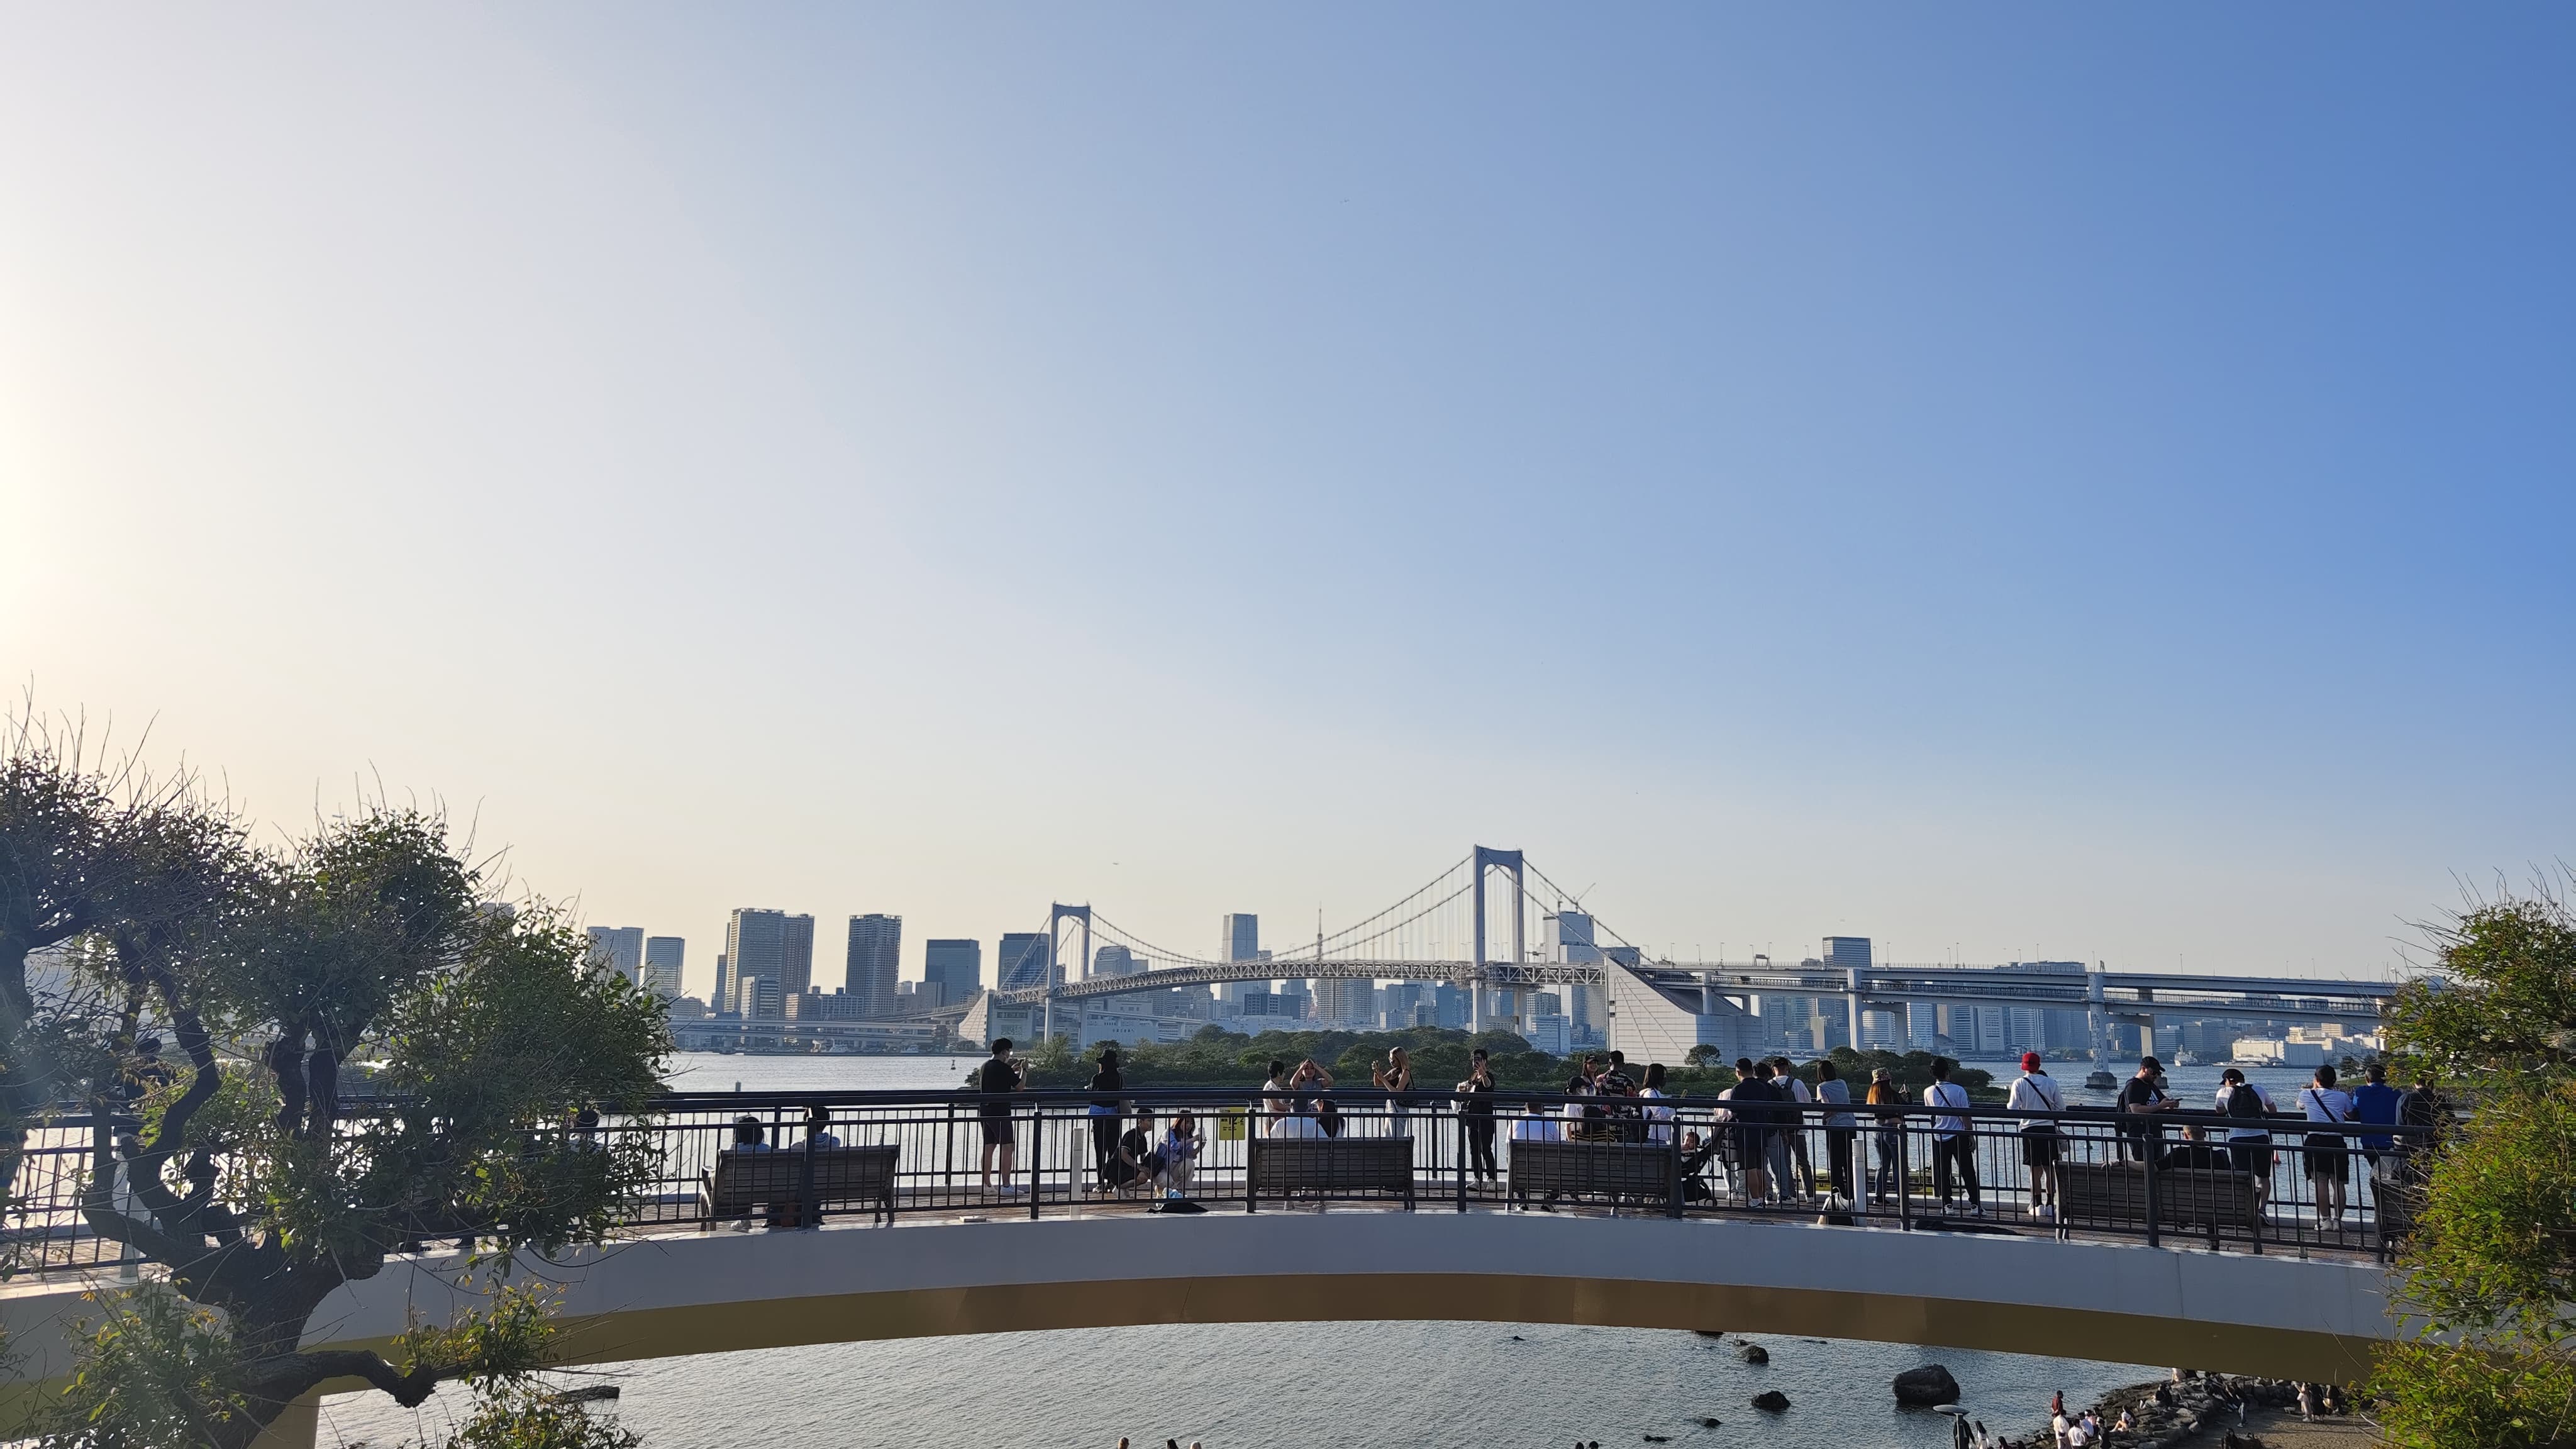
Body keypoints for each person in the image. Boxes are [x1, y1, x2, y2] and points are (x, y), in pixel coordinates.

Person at [2006, 1052, 2065, 1222]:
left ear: (2024, 1066)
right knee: (2049, 1169)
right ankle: (2050, 1204)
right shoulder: (2051, 1082)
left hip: (2029, 1130)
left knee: (2034, 1170)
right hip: (2048, 1129)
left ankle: (2037, 1205)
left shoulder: (2019, 1083)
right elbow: (2061, 1107)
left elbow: (2012, 1108)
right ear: (2039, 1066)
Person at [2297, 1064, 2356, 1228]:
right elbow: (2350, 1114)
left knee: (2320, 1182)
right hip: (2336, 1141)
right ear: (2334, 1081)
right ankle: (2338, 1220)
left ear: (2316, 1080)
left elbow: (2299, 1106)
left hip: (2315, 1141)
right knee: (2338, 1183)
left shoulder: (2306, 1094)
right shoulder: (2342, 1096)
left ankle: (2325, 1220)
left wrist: (2314, 1087)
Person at [2218, 1068, 2277, 1213]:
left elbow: (2219, 1111)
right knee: (2263, 1176)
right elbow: (2273, 1110)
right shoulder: (2259, 1089)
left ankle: (2244, 1209)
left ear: (2227, 1081)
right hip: (2261, 1137)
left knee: (2242, 1176)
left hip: (2237, 1138)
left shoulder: (2223, 1093)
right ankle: (2261, 1210)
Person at [1924, 1058, 1980, 1214]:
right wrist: (1971, 1135)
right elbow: (1966, 1115)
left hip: (1939, 1136)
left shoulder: (1928, 1091)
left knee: (1944, 1171)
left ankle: (1947, 1205)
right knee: (1967, 1170)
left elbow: (1931, 1115)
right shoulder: (1959, 1090)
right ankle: (1975, 1205)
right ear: (1948, 1072)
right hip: (1959, 1135)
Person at [1719, 1058, 1775, 1201]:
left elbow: (1734, 1110)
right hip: (1761, 1130)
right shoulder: (1763, 1087)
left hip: (1745, 1132)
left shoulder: (1738, 1089)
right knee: (1759, 1167)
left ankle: (1755, 1199)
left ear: (1738, 1072)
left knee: (1749, 1168)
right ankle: (1762, 1198)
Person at [979, 1038, 1023, 1195]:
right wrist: (1025, 1071)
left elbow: (1000, 1078)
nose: (1010, 1054)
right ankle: (1006, 1185)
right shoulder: (1005, 1068)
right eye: (1009, 1051)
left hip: (985, 1111)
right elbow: (1020, 1087)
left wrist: (1012, 1070)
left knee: (989, 1146)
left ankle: (987, 1185)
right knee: (1008, 1146)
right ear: (1004, 1052)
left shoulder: (986, 1066)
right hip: (1001, 1112)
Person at [1770, 1058, 1816, 1197]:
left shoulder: (1770, 1084)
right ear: (1788, 1068)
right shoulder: (1797, 1083)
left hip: (1779, 1129)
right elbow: (1807, 1102)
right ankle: (1810, 1194)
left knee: (1785, 1163)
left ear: (1774, 1069)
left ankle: (1790, 1193)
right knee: (1803, 1161)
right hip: (1798, 1128)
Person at [2116, 1057, 2177, 1162]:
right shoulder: (2133, 1085)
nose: (2156, 1076)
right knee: (2143, 1164)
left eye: (2159, 1073)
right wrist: (2161, 1106)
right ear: (2144, 1069)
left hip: (2155, 1132)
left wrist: (2171, 1103)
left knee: (2159, 1164)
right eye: (2154, 1072)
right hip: (2139, 1134)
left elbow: (2163, 1100)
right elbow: (2136, 1109)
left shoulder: (2151, 1086)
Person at [1813, 1060, 1857, 1204]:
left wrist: (1823, 1117)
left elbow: (1829, 1107)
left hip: (1835, 1127)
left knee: (1836, 1164)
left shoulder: (1822, 1087)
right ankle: (1853, 1193)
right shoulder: (1842, 1083)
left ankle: (1838, 1194)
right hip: (1850, 1125)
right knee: (1850, 1162)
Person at [2349, 1060, 2401, 1175]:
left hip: (2369, 1141)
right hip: (2390, 1141)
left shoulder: (2360, 1092)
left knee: (2377, 1173)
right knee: (2391, 1174)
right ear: (2385, 1079)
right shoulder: (2395, 1092)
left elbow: (2354, 1110)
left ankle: (2379, 1191)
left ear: (2367, 1079)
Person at [1457, 1048, 1500, 1185]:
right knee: (1474, 1150)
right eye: (1474, 1059)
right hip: (1472, 1119)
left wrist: (1483, 1073)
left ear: (1485, 1061)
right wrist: (1461, 1089)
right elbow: (1465, 1091)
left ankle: (1492, 1179)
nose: (1476, 1062)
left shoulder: (1489, 1076)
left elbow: (1488, 1086)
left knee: (1485, 1149)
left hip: (1486, 1118)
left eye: (1479, 1059)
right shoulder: (1473, 1077)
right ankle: (1477, 1178)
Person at [1089, 1046, 1126, 1192]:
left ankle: (1100, 1183)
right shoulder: (1119, 1078)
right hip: (1115, 1117)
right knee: (1113, 1151)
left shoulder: (1097, 1078)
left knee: (1100, 1151)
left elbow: (1092, 1093)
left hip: (1099, 1119)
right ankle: (1112, 1181)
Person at [1867, 1068, 1904, 1207]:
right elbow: (1906, 1108)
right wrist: (1907, 1096)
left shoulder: (1873, 1095)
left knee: (1883, 1165)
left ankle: (1879, 1196)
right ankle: (1902, 1198)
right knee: (1898, 1165)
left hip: (1877, 1131)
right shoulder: (1893, 1095)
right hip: (1893, 1131)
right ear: (1888, 1080)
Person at [1108, 1109, 1158, 1195]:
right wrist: (1139, 1167)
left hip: (1127, 1168)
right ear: (1140, 1121)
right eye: (1149, 1120)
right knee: (1143, 1177)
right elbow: (1123, 1154)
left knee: (1145, 1174)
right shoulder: (1131, 1135)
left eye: (1152, 1120)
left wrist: (1148, 1168)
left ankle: (1123, 1188)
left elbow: (1143, 1159)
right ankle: (1118, 1187)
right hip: (1117, 1169)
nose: (1152, 1124)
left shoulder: (1143, 1139)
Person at [1157, 1111, 1203, 1196]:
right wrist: (1192, 1140)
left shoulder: (1188, 1137)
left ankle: (1182, 1191)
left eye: (1191, 1123)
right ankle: (1160, 1188)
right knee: (1168, 1183)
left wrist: (1200, 1147)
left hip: (1175, 1168)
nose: (1189, 1126)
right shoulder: (1169, 1133)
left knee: (1190, 1163)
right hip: (1162, 1168)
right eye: (1186, 1122)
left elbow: (1190, 1155)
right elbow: (1173, 1146)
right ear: (1179, 1121)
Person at [1372, 1045, 1414, 1131]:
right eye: (1390, 1059)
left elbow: (1397, 1093)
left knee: (1396, 1136)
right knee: (1387, 1137)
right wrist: (1376, 1072)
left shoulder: (1405, 1073)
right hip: (1390, 1105)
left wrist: (1383, 1079)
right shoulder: (1394, 1071)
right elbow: (1378, 1083)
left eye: (1393, 1060)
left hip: (1398, 1107)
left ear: (1400, 1060)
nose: (1391, 1062)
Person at [1639, 1062, 1676, 1145]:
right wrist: (1674, 1108)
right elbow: (1660, 1114)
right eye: (1664, 1076)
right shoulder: (1650, 1094)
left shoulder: (1656, 1094)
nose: (1665, 1078)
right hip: (1653, 1137)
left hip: (1659, 1137)